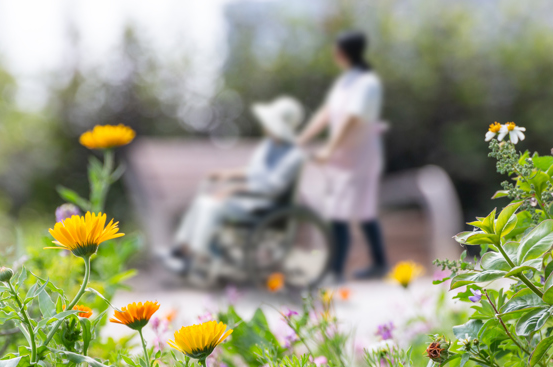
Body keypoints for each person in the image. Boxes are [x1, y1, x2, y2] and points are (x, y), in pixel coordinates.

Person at [166, 96, 305, 274]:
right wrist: (227, 174)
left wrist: (235, 189)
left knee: (212, 207)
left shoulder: (293, 156)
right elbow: (253, 172)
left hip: (263, 206)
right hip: (247, 200)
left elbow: (272, 187)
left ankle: (198, 258)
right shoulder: (268, 147)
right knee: (203, 201)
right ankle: (182, 249)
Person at [297, 30, 388, 282]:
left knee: (350, 210)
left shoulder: (367, 83)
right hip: (344, 155)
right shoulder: (346, 81)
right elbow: (327, 113)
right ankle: (376, 264)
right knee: (353, 210)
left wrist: (329, 148)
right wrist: (302, 139)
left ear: (346, 52)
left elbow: (351, 118)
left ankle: (337, 270)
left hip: (360, 155)